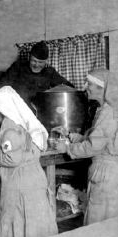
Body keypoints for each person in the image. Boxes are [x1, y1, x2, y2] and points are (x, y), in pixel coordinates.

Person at [0, 86, 57, 237]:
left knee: (18, 225)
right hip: (36, 178)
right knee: (36, 229)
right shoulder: (25, 121)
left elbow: (11, 158)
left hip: (20, 182)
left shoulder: (9, 127)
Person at [55, 69, 118, 225]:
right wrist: (73, 136)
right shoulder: (105, 110)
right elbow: (103, 141)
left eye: (89, 83)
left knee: (97, 224)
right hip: (107, 172)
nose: (84, 87)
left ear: (101, 88)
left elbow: (93, 147)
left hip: (105, 173)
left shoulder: (108, 112)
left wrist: (67, 149)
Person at [0, 41, 73, 110]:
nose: (36, 65)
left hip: (40, 111)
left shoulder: (50, 72)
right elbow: (2, 85)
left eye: (40, 62)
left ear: (46, 61)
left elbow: (66, 86)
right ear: (29, 57)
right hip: (17, 109)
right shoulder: (17, 67)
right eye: (34, 61)